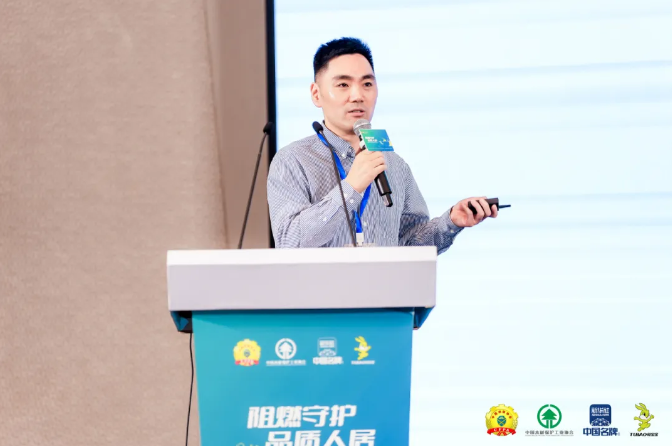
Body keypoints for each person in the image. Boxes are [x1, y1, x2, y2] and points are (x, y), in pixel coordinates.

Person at [267, 37, 497, 251]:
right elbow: (289, 241)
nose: (357, 96)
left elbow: (410, 243)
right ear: (316, 94)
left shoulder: (394, 165)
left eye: (367, 84)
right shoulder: (292, 160)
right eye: (343, 85)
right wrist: (351, 187)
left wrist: (452, 221)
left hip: (386, 284)